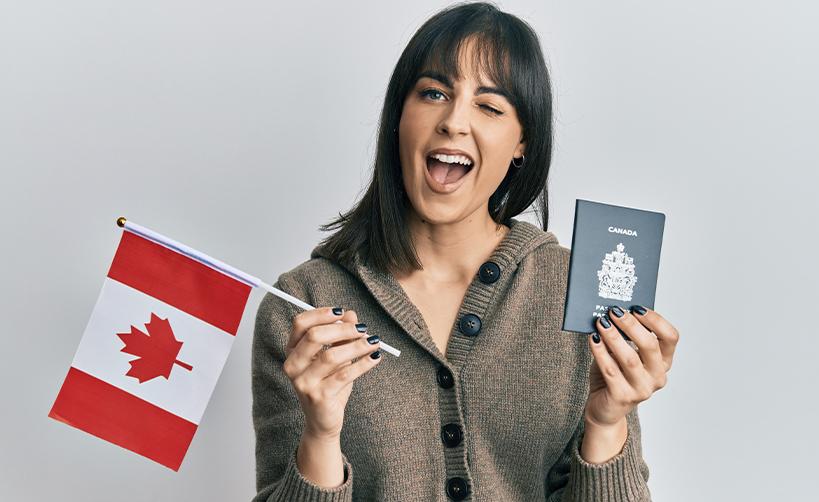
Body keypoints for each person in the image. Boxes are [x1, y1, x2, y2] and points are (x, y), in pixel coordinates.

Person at [251, 2, 679, 501]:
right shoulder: (302, 303)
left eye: (490, 106)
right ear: (399, 117)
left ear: (523, 142)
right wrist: (320, 437)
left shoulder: (575, 293)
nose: (454, 122)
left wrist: (607, 423)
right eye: (433, 93)